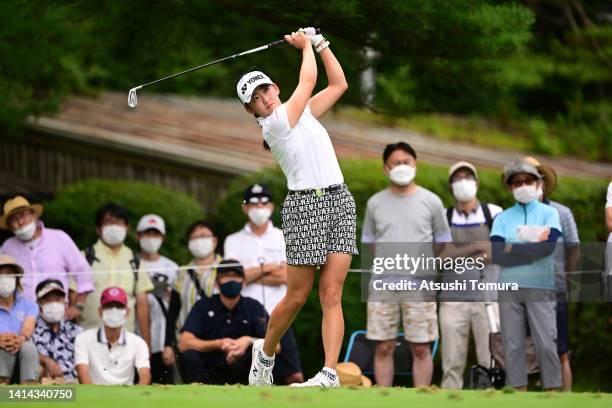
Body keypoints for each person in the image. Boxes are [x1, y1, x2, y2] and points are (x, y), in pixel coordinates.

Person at [238, 27, 357, 387]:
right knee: (296, 297)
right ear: (252, 110)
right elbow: (308, 78)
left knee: (332, 292)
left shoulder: (300, 113)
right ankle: (265, 353)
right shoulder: (273, 125)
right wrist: (305, 46)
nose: (265, 98)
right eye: (256, 98)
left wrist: (321, 44)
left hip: (340, 199)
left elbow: (338, 85)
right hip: (305, 207)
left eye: (266, 89)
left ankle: (330, 372)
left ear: (275, 88)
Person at [362, 142, 452, 387]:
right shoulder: (375, 203)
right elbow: (371, 243)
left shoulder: (431, 201)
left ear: (415, 164)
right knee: (383, 346)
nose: (402, 166)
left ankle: (421, 397)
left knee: (421, 347)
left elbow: (442, 241)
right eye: (396, 162)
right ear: (385, 168)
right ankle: (384, 397)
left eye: (407, 162)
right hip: (382, 285)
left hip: (419, 285)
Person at [490, 159, 562, 391]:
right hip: (509, 286)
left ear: (538, 183)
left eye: (528, 181)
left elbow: (548, 247)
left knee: (545, 341)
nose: (522, 186)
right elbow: (498, 254)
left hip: (540, 285)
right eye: (517, 182)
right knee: (511, 343)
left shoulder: (549, 214)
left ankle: (552, 389)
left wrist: (515, 249)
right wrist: (532, 249)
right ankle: (517, 390)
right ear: (511, 187)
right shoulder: (502, 219)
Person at [224, 183, 303, 384]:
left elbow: (287, 277)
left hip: (279, 311)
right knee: (243, 375)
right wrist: (269, 267)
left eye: (264, 202)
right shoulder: (233, 240)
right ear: (245, 207)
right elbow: (234, 279)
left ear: (271, 206)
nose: (259, 207)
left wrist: (251, 272)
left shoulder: (283, 236)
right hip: (246, 314)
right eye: (253, 203)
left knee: (292, 375)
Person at [439, 161, 502, 389]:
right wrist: (476, 246)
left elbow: (500, 251)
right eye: (458, 178)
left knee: (491, 360)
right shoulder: (444, 217)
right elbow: (440, 257)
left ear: (476, 183)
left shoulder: (493, 213)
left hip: (488, 299)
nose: (463, 182)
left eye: (468, 177)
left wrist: (458, 251)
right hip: (452, 301)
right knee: (451, 363)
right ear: (451, 186)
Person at [523, 157, 580, 391]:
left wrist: (565, 279)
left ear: (543, 182)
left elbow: (573, 248)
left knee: (560, 350)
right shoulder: (514, 215)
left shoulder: (562, 213)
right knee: (525, 351)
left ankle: (563, 398)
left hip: (554, 292)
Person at [178, 260, 273, 384]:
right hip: (210, 365)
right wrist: (218, 344)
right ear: (217, 283)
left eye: (236, 276)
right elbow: (184, 343)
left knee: (259, 354)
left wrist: (248, 341)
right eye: (226, 276)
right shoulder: (203, 306)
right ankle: (199, 395)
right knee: (190, 355)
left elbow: (276, 346)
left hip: (244, 367)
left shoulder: (254, 307)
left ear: (244, 282)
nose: (231, 280)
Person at [0, 196, 93, 317]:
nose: (20, 222)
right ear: (10, 226)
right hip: (21, 316)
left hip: (56, 314)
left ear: (34, 215)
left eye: (23, 215)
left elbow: (83, 272)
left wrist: (78, 306)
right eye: (13, 219)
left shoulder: (59, 238)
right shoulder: (8, 247)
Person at [79, 203, 153, 350]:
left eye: (118, 222)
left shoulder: (135, 260)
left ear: (127, 227)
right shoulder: (85, 257)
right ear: (98, 229)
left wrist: (146, 343)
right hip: (89, 336)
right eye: (108, 222)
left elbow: (142, 303)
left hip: (126, 338)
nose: (114, 226)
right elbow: (74, 297)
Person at [136, 214, 180, 384]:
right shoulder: (132, 263)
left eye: (156, 234)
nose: (151, 239)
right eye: (147, 234)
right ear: (138, 235)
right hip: (138, 336)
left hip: (164, 339)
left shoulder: (172, 267)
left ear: (162, 237)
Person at [74, 286, 151, 385]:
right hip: (94, 395)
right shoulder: (84, 339)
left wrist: (137, 397)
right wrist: (93, 397)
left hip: (127, 397)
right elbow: (82, 373)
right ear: (100, 312)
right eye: (109, 306)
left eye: (119, 307)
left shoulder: (138, 343)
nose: (114, 310)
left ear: (127, 312)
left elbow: (145, 375)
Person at [32, 279, 82, 384]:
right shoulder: (29, 330)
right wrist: (45, 360)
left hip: (73, 387)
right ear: (39, 303)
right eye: (48, 300)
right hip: (41, 388)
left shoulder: (77, 332)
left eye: (58, 299)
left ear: (65, 302)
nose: (54, 304)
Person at [174, 220, 222, 328]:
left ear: (214, 240)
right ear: (189, 244)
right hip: (186, 340)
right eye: (195, 237)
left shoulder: (228, 270)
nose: (200, 240)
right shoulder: (181, 273)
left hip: (221, 340)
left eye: (204, 236)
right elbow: (174, 309)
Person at [0, 254, 38, 384]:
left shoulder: (29, 305)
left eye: (9, 274)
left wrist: (19, 339)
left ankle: (28, 388)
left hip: (20, 349)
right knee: (4, 349)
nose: (4, 279)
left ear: (16, 279)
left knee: (29, 347)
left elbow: (27, 329)